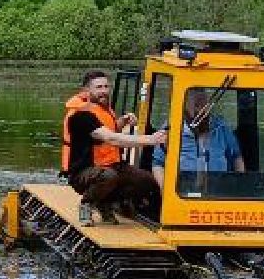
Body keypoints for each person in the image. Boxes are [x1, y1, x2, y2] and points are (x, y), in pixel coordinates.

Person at [60, 70, 163, 223]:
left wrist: (122, 122)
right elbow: (110, 138)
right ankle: (87, 204)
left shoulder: (103, 108)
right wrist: (151, 139)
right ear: (86, 90)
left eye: (106, 86)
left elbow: (108, 132)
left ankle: (107, 202)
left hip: (111, 165)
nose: (104, 91)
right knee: (108, 176)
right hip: (83, 171)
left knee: (146, 181)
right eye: (98, 87)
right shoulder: (80, 115)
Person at [176, 88, 245, 174]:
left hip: (218, 181)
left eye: (204, 106)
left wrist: (239, 179)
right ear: (185, 105)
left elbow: (237, 157)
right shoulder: (173, 128)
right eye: (196, 105)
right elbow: (160, 164)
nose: (200, 111)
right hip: (184, 182)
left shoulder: (221, 128)